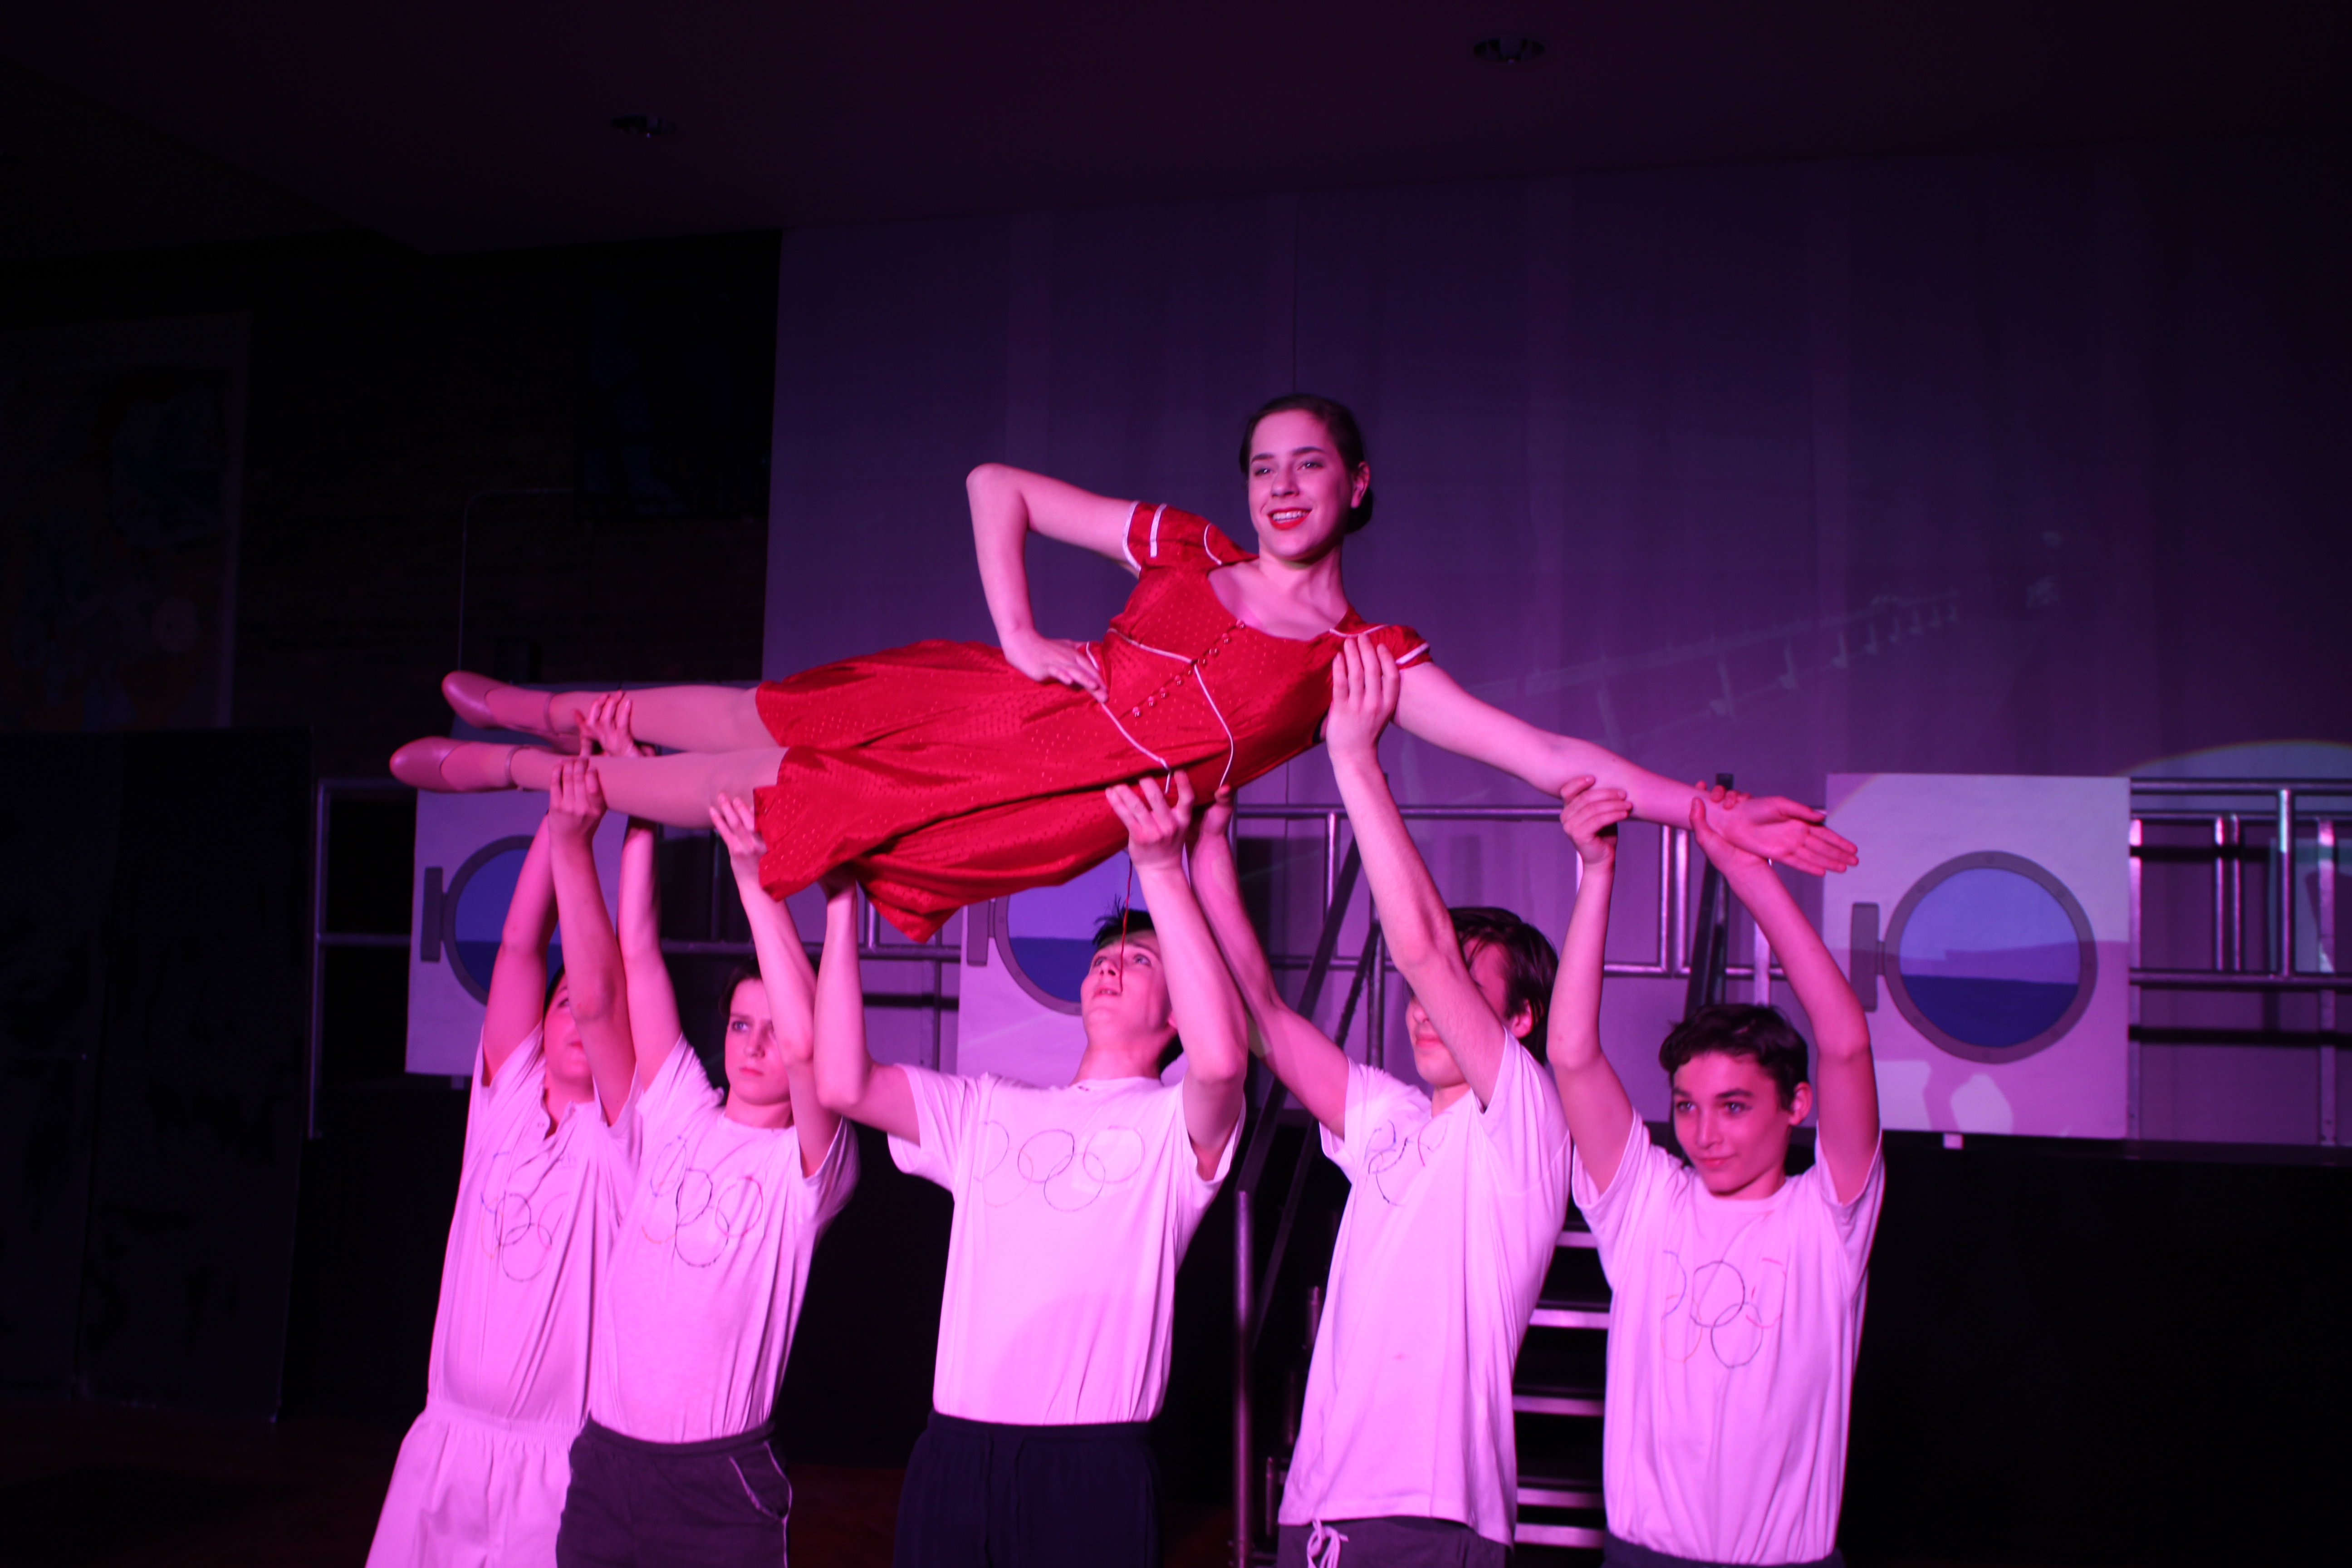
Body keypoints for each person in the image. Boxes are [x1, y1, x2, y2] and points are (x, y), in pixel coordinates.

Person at [393, 394, 1856, 942]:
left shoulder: (1361, 661)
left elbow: (1546, 757)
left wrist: (1707, 808)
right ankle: (556, 710)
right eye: (1264, 465)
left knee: (773, 792)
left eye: (1309, 465)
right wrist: (1025, 635)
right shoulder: (1187, 548)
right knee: (766, 711)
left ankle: (524, 772)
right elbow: (997, 484)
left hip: (1056, 796)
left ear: (1357, 485)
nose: (1281, 486)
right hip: (1012, 698)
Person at [1190, 636, 1572, 1568]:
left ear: (1520, 1021)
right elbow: (1264, 1017)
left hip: (1428, 1513)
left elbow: (1425, 953)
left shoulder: (1523, 1121)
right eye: (1424, 997)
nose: (1426, 1007)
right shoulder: (1391, 1119)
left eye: (1465, 992)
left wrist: (1356, 761)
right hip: (1321, 1503)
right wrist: (1203, 847)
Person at [810, 771, 1247, 1568]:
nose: (1111, 968)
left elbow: (1221, 1062)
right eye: (1104, 957)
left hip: (1091, 1471)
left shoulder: (1170, 1126)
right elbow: (843, 1084)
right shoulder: (987, 1106)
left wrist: (1160, 868)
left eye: (1140, 961)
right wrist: (841, 907)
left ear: (1178, 1012)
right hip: (956, 1458)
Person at [1545, 763, 1883, 1567]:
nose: (1704, 1133)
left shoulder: (1827, 1218)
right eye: (1688, 1106)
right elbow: (1572, 1054)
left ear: (1796, 1106)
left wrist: (1744, 871)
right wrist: (1597, 872)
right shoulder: (1648, 1205)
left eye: (1734, 1106)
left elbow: (1845, 1043)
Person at [553, 699, 858, 1568]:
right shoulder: (680, 1109)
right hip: (606, 1463)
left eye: (771, 1027)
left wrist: (758, 882)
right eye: (739, 1025)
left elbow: (810, 1046)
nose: (757, 1045)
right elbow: (636, 956)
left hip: (717, 1484)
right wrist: (638, 798)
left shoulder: (809, 1168)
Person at [366, 759, 639, 1568]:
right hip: (446, 1442)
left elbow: (604, 994)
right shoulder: (504, 1104)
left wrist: (597, 838)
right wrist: (559, 817)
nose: (579, 1020)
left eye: (593, 1009)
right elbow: (520, 945)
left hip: (556, 1466)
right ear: (542, 1025)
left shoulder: (623, 1139)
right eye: (563, 1005)